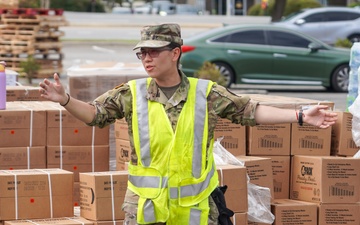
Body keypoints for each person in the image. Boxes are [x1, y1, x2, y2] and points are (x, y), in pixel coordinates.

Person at [39, 23, 337, 225]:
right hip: (147, 208)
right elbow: (95, 114)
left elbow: (249, 111)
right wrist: (65, 99)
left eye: (154, 51)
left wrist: (299, 115)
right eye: (142, 52)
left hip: (195, 208)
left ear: (175, 53)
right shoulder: (133, 92)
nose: (147, 58)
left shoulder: (205, 93)